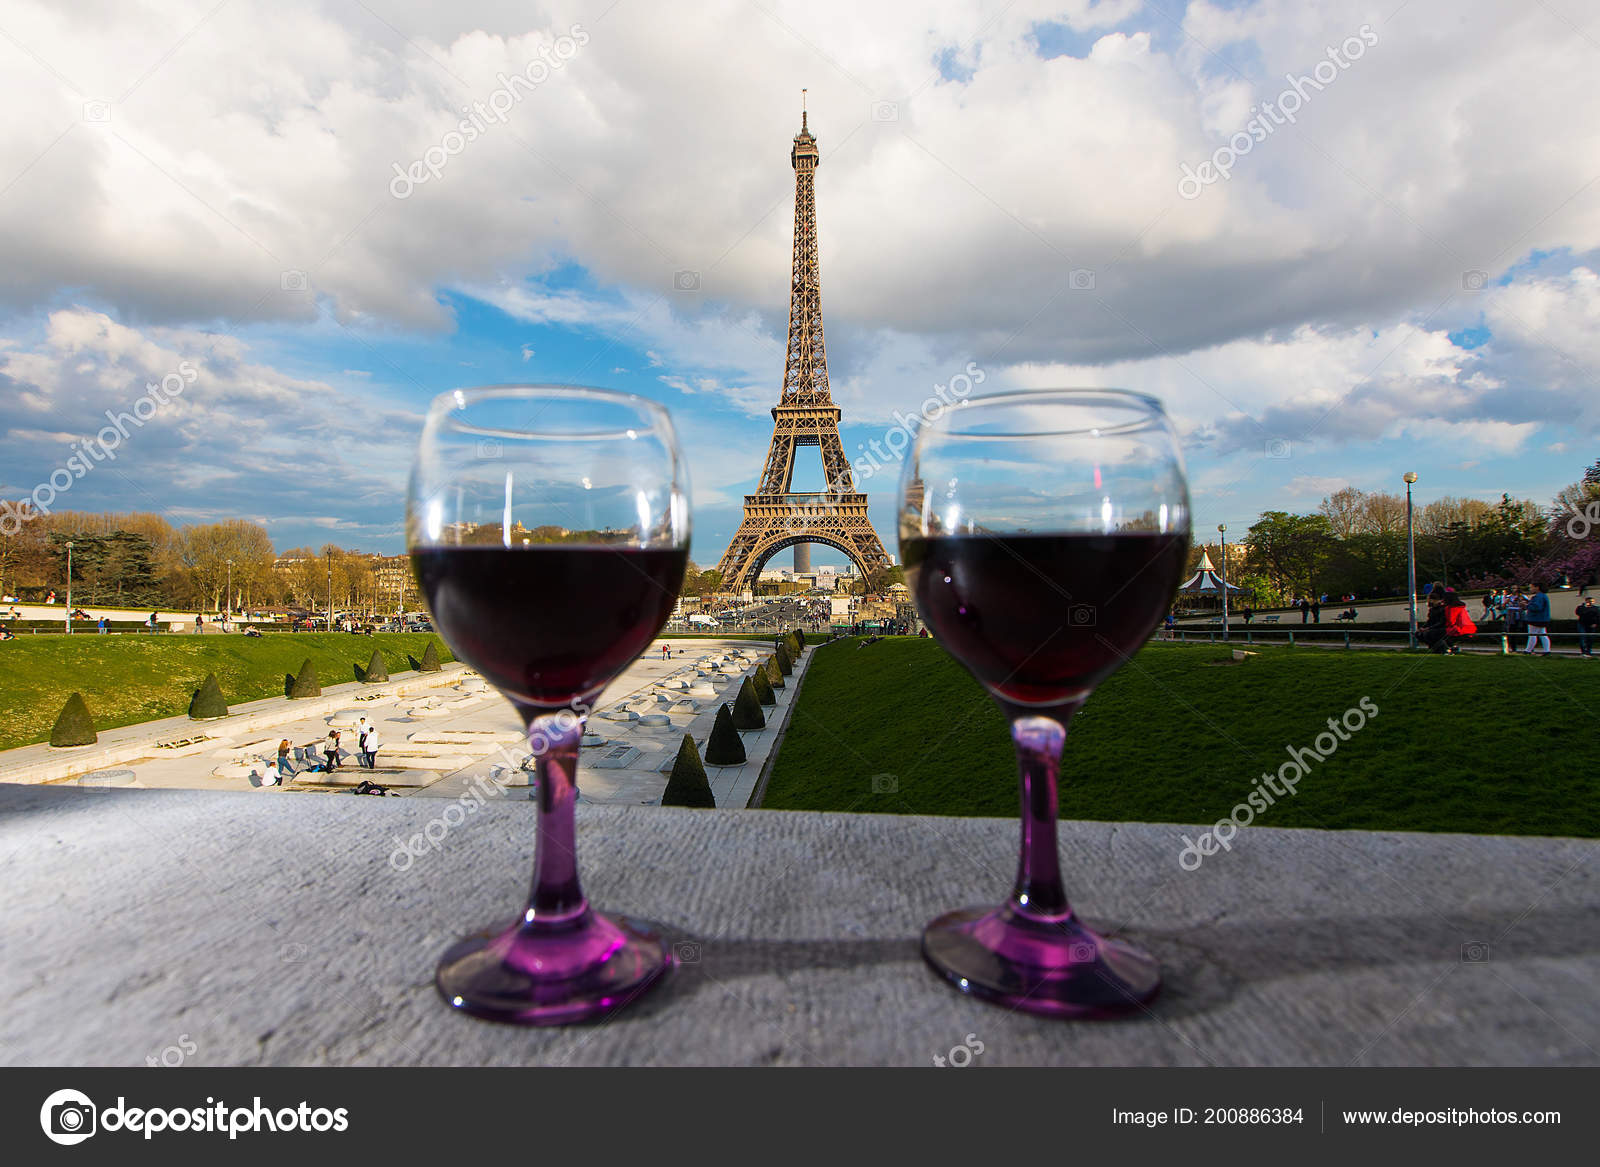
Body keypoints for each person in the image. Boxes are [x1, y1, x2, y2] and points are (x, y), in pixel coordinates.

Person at [1523, 583, 1552, 656]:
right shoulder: (1543, 596)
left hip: (1535, 619)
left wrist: (1526, 606)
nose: (1530, 589)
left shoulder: (1538, 597)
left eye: (1531, 587)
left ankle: (1528, 650)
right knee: (1543, 634)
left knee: (1532, 635)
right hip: (1543, 619)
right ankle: (1547, 650)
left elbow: (1536, 607)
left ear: (1537, 587)